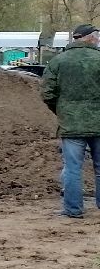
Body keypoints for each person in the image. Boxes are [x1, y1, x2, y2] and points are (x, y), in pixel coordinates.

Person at [41, 22, 100, 218]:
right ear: (90, 37)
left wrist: (61, 110)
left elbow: (47, 92)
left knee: (73, 168)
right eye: (97, 36)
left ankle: (73, 210)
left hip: (71, 124)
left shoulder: (59, 61)